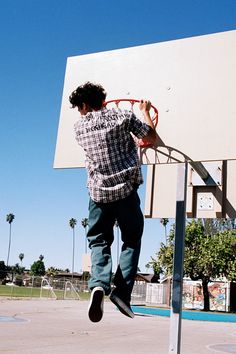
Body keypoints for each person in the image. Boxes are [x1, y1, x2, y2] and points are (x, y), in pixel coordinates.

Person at [69, 82, 157, 322]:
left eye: (79, 107)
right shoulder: (124, 116)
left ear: (85, 105)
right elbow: (151, 136)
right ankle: (122, 293)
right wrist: (145, 112)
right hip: (126, 192)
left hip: (98, 195)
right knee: (131, 240)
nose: (79, 112)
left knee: (98, 240)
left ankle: (98, 284)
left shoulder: (79, 128)